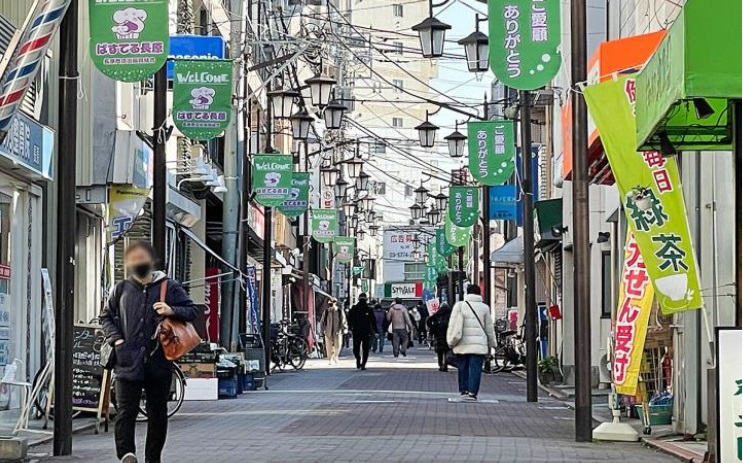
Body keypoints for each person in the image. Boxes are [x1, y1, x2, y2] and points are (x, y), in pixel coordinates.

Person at [100, 241, 197, 463]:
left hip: (158, 360)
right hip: (127, 361)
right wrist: (116, 340)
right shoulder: (121, 288)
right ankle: (126, 454)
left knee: (157, 412)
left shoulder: (169, 286)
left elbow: (192, 311)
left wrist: (171, 309)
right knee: (125, 411)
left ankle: (153, 458)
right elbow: (105, 316)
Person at [446, 284, 496, 401]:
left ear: (467, 293)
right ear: (479, 293)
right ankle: (473, 392)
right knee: (475, 369)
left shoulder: (459, 306)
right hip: (478, 344)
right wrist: (492, 343)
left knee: (462, 367)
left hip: (462, 343)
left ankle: (463, 390)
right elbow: (489, 328)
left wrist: (450, 340)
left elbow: (452, 325)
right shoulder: (484, 308)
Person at [346, 293, 377, 370]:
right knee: (365, 348)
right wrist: (375, 331)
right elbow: (373, 321)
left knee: (356, 348)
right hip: (366, 331)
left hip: (356, 331)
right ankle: (363, 364)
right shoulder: (368, 309)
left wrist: (350, 328)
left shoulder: (354, 308)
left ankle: (359, 360)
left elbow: (349, 319)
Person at [320, 298, 346, 364]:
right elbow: (322, 322)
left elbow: (343, 321)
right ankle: (330, 359)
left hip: (337, 331)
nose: (331, 304)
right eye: (330, 303)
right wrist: (321, 331)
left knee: (338, 345)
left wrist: (344, 329)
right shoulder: (326, 312)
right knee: (328, 347)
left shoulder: (340, 311)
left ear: (335, 303)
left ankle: (335, 356)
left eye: (333, 303)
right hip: (328, 331)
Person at [426, 303, 452, 372]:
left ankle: (440, 365)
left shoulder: (437, 314)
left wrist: (433, 328)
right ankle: (445, 365)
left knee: (439, 351)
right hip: (448, 334)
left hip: (439, 334)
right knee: (446, 351)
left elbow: (428, 320)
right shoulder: (450, 315)